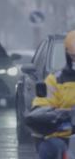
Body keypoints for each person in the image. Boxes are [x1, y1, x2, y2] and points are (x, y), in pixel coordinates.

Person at [31, 30, 75, 159]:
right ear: (67, 55)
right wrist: (55, 116)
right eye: (74, 56)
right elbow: (42, 106)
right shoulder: (54, 80)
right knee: (49, 148)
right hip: (63, 136)